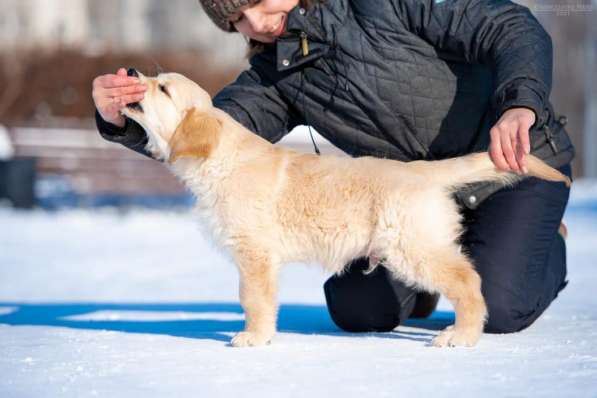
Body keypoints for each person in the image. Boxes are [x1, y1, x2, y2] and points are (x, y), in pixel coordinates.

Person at [92, 0, 575, 334]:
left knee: (502, 307)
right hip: (398, 205)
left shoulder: (380, 6)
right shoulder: (276, 75)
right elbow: (205, 136)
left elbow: (510, 25)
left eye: (258, 1)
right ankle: (427, 279)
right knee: (357, 309)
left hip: (508, 165)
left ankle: (543, 240)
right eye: (237, 19)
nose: (257, 22)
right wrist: (123, 118)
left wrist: (521, 104)